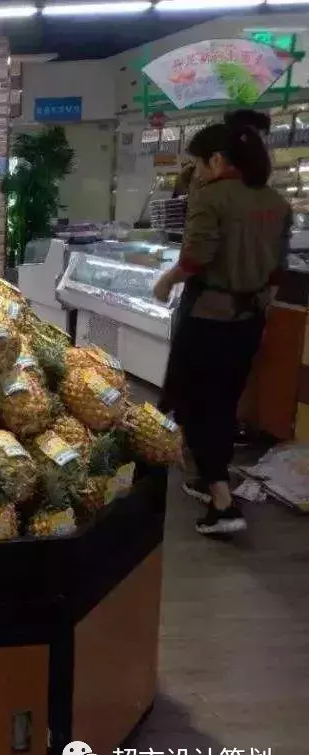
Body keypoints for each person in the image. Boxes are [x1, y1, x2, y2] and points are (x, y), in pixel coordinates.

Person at [153, 122, 290, 536]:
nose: (196, 172)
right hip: (249, 320)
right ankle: (207, 480)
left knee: (195, 404)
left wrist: (165, 281)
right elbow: (278, 271)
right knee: (224, 403)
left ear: (216, 159)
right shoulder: (276, 202)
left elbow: (195, 257)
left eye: (198, 163)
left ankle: (223, 502)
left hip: (209, 317)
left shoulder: (211, 197)